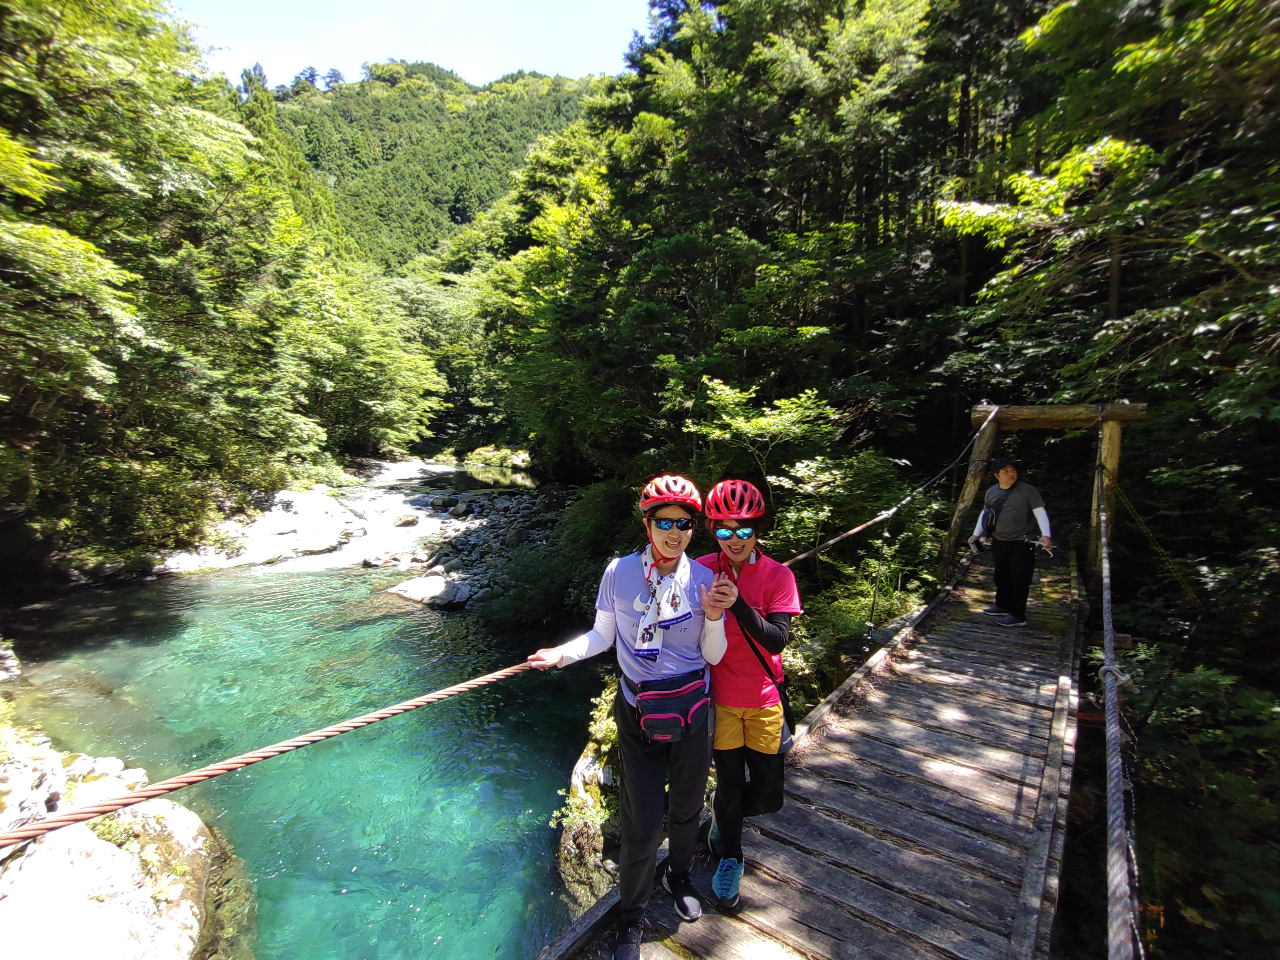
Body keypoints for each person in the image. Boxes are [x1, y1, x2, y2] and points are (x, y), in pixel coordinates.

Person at [527, 475, 738, 960]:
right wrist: (560, 655)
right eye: (664, 521)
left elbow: (714, 654)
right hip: (638, 708)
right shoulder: (618, 572)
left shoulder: (706, 581)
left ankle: (679, 874)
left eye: (685, 524)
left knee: (686, 807)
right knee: (642, 821)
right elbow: (603, 636)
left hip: (692, 709)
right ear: (647, 524)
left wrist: (711, 616)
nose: (675, 532)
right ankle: (630, 917)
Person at [695, 479, 802, 912]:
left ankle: (724, 825)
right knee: (729, 785)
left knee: (769, 795)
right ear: (713, 530)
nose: (734, 540)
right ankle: (732, 857)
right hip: (720, 699)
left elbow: (777, 640)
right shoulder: (700, 569)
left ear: (757, 531)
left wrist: (738, 603)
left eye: (743, 531)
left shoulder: (779, 575)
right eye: (725, 531)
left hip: (762, 699)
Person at [970, 457, 1052, 627]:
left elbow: (1039, 512)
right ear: (996, 475)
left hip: (1022, 542)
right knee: (1001, 575)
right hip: (999, 540)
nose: (1011, 473)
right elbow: (985, 514)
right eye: (1005, 471)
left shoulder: (1028, 491)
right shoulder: (991, 492)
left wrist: (1046, 534)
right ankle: (1002, 605)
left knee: (1020, 578)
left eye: (1013, 470)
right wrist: (975, 534)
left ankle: (1017, 614)